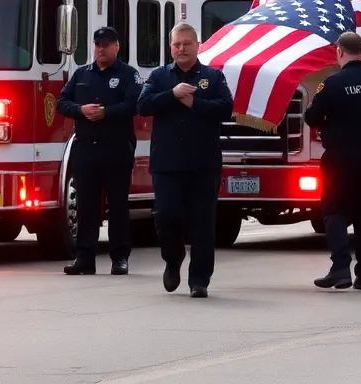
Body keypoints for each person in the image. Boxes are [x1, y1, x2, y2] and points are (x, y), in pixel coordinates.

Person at [136, 22, 233, 298]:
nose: (181, 49)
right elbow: (143, 105)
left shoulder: (213, 77)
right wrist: (172, 95)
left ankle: (199, 280)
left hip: (203, 164)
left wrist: (195, 104)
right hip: (167, 163)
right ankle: (173, 256)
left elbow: (226, 108)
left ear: (197, 45)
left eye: (186, 44)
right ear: (170, 48)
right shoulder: (159, 76)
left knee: (203, 223)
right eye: (176, 45)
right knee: (166, 217)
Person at [304, 32, 361, 291]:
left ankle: (340, 267)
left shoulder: (332, 84)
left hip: (340, 155)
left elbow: (312, 117)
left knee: (333, 209)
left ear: (339, 51)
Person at [57, 26, 141, 276]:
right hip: (85, 149)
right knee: (86, 205)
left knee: (117, 205)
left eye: (106, 44)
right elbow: (63, 102)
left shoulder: (128, 74)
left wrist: (106, 112)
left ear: (117, 47)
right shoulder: (82, 74)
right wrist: (81, 110)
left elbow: (134, 104)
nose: (101, 49)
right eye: (97, 44)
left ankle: (119, 258)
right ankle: (85, 258)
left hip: (116, 148)